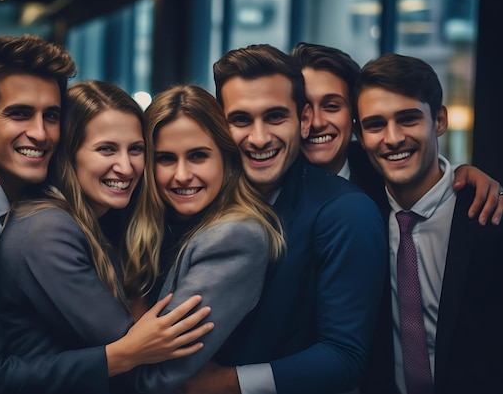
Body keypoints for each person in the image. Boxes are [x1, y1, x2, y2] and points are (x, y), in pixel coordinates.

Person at [0, 35, 205, 394]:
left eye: (51, 116)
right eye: (19, 113)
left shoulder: (31, 193)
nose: (40, 132)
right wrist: (123, 353)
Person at [181, 44, 387, 394]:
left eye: (275, 117)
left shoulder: (346, 210)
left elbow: (345, 357)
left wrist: (224, 383)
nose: (259, 138)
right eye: (241, 120)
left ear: (303, 120)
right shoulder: (198, 193)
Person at [0, 80, 214, 394]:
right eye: (106, 149)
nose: (126, 167)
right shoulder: (48, 229)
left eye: (136, 149)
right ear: (69, 154)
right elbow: (133, 346)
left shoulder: (92, 219)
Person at [354, 53, 503, 394]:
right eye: (375, 125)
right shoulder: (358, 213)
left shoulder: (489, 214)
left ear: (438, 121)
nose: (392, 138)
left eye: (407, 119)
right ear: (360, 137)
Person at [123, 84, 285, 394]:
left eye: (198, 156)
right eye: (166, 158)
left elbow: (156, 377)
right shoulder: (153, 225)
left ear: (226, 158)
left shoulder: (235, 237)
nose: (182, 175)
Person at [290, 41, 503, 226]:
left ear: (354, 119)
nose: (316, 122)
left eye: (332, 106)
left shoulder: (378, 172)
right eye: (303, 109)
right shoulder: (271, 184)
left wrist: (461, 175)